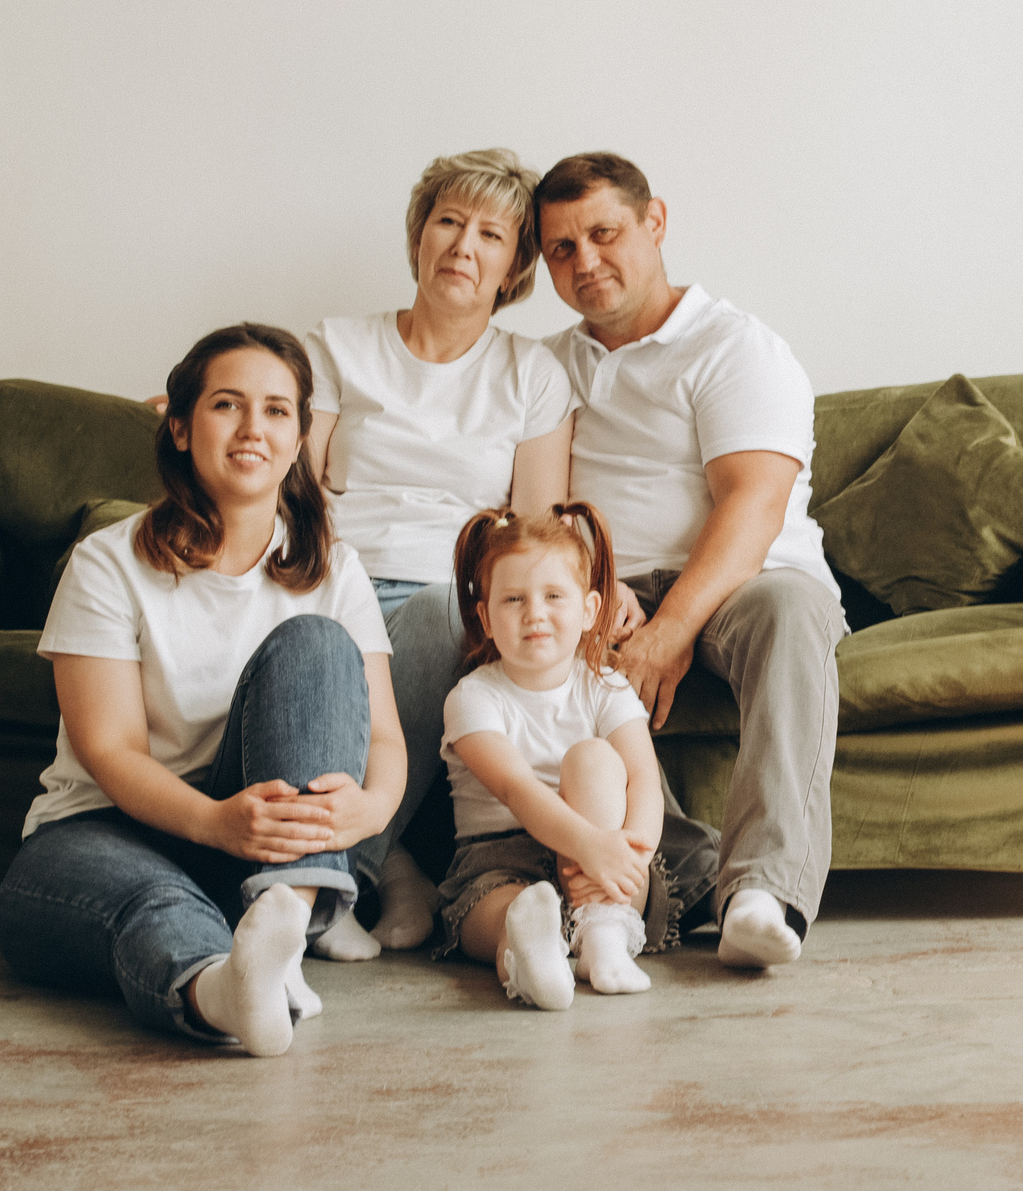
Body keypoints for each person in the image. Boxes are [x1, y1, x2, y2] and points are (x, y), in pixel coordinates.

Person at [0, 323, 403, 1057]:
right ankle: (225, 989)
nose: (254, 428)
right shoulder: (107, 562)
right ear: (180, 426)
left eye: (278, 410)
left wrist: (367, 810)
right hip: (102, 832)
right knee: (155, 901)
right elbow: (109, 750)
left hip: (257, 857)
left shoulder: (333, 569)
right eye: (227, 405)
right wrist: (217, 823)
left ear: (299, 434)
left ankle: (286, 907)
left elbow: (384, 740)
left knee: (315, 642)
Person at [534, 152, 846, 970]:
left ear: (655, 221)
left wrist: (669, 631)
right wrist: (600, 599)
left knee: (793, 610)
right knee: (534, 632)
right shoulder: (552, 364)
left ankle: (763, 892)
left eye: (603, 234)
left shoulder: (734, 346)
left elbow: (754, 504)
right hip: (611, 590)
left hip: (748, 582)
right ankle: (691, 877)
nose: (585, 262)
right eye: (561, 249)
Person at [294, 148, 579, 958]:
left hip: (453, 594)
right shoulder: (338, 345)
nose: (464, 245)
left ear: (515, 265)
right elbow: (298, 495)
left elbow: (531, 533)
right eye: (449, 222)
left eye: (491, 234)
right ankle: (398, 867)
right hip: (338, 580)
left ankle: (333, 875)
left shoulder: (534, 373)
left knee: (447, 607)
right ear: (420, 235)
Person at [433, 502, 672, 1009]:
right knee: (507, 910)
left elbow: (644, 780)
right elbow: (517, 790)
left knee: (593, 757)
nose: (534, 613)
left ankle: (604, 938)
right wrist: (588, 846)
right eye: (514, 598)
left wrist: (630, 859)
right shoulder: (472, 698)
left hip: (607, 863)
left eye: (553, 596)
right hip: (497, 861)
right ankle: (527, 954)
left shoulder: (605, 687)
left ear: (589, 611)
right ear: (486, 618)